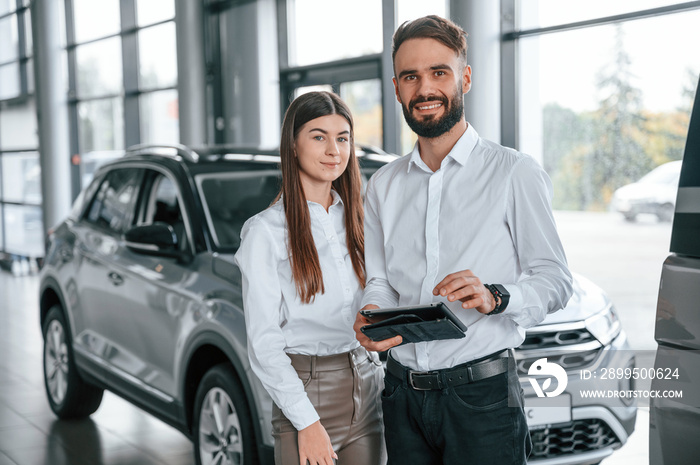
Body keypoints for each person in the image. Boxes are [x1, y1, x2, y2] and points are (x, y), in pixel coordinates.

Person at [353, 15, 573, 465]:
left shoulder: (513, 171)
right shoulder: (383, 185)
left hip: (483, 398)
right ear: (396, 88)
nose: (425, 88)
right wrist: (372, 315)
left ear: (465, 78)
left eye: (439, 72)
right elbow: (379, 282)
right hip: (401, 395)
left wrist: (495, 296)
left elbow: (555, 281)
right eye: (411, 76)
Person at [235, 91, 385, 465]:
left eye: (343, 137)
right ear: (293, 144)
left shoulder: (361, 219)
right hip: (306, 393)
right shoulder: (265, 232)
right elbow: (264, 343)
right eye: (319, 136)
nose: (334, 149)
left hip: (368, 386)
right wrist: (306, 422)